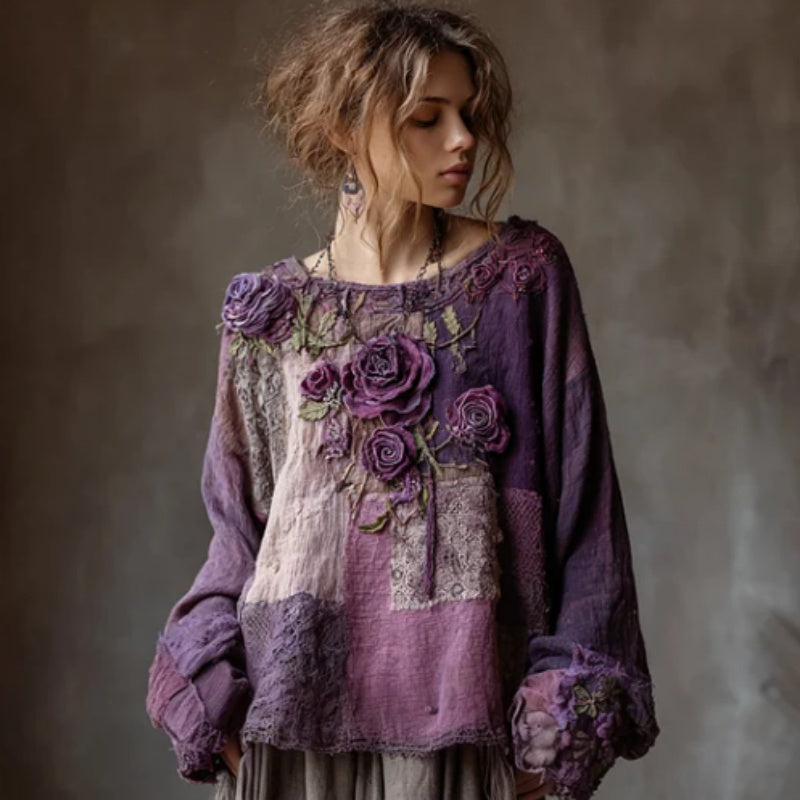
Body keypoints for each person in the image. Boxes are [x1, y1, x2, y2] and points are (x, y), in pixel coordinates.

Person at [144, 2, 659, 799]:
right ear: (346, 126)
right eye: (428, 118)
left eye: (468, 115)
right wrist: (225, 721)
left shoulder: (520, 279)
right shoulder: (268, 314)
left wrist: (547, 746)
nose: (463, 139)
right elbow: (237, 536)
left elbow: (586, 527)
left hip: (471, 737)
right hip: (292, 743)